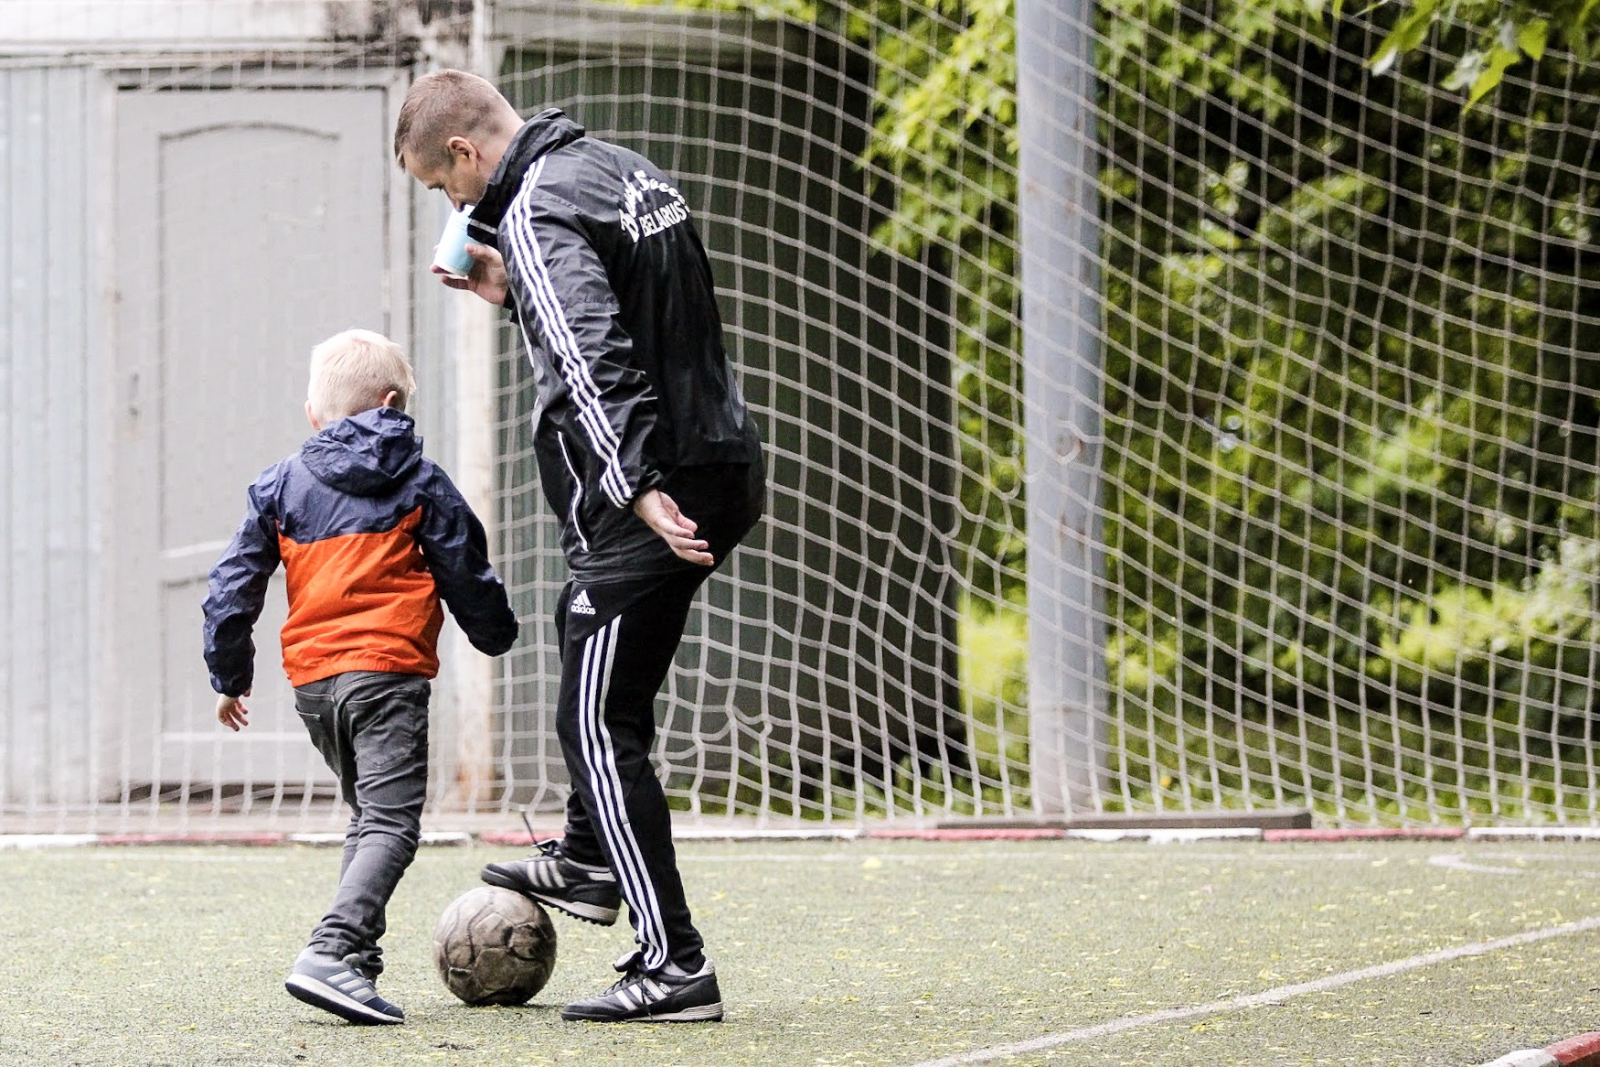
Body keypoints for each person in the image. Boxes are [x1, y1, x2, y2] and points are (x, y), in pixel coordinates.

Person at [394, 70, 765, 1024]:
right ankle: (589, 856)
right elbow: (637, 314)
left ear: (468, 154)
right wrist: (510, 293)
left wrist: (632, 481)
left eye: (445, 186)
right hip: (719, 457)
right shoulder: (621, 169)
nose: (455, 202)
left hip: (653, 485)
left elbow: (594, 354)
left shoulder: (533, 211)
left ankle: (673, 963)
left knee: (599, 722)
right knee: (591, 661)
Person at [202, 328, 519, 1025]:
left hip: (315, 688)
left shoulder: (281, 483)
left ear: (315, 413)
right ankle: (331, 947)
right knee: (392, 824)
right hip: (387, 678)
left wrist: (231, 674)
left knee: (367, 818)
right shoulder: (420, 479)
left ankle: (353, 966)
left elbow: (231, 586)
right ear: (394, 401)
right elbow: (467, 567)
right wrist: (495, 633)